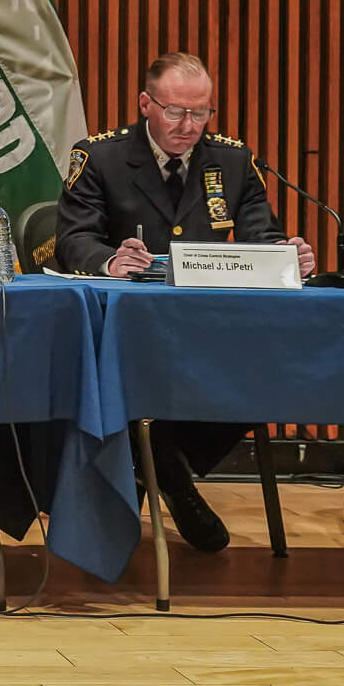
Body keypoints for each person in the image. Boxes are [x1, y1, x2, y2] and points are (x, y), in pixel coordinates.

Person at [55, 51, 315, 553]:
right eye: (175, 111)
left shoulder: (233, 160)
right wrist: (111, 260)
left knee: (266, 366)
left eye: (201, 113)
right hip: (129, 326)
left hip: (208, 324)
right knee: (132, 370)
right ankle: (170, 478)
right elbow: (73, 239)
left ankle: (164, 463)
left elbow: (262, 237)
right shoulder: (100, 156)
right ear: (146, 104)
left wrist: (288, 257)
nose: (188, 125)